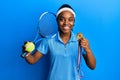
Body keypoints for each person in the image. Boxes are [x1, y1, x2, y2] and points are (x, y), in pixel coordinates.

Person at [22, 4, 96, 80]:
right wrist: (26, 53)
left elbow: (92, 66)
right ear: (57, 21)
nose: (66, 23)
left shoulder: (80, 42)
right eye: (62, 19)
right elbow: (33, 60)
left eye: (70, 19)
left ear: (74, 22)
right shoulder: (48, 41)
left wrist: (88, 50)